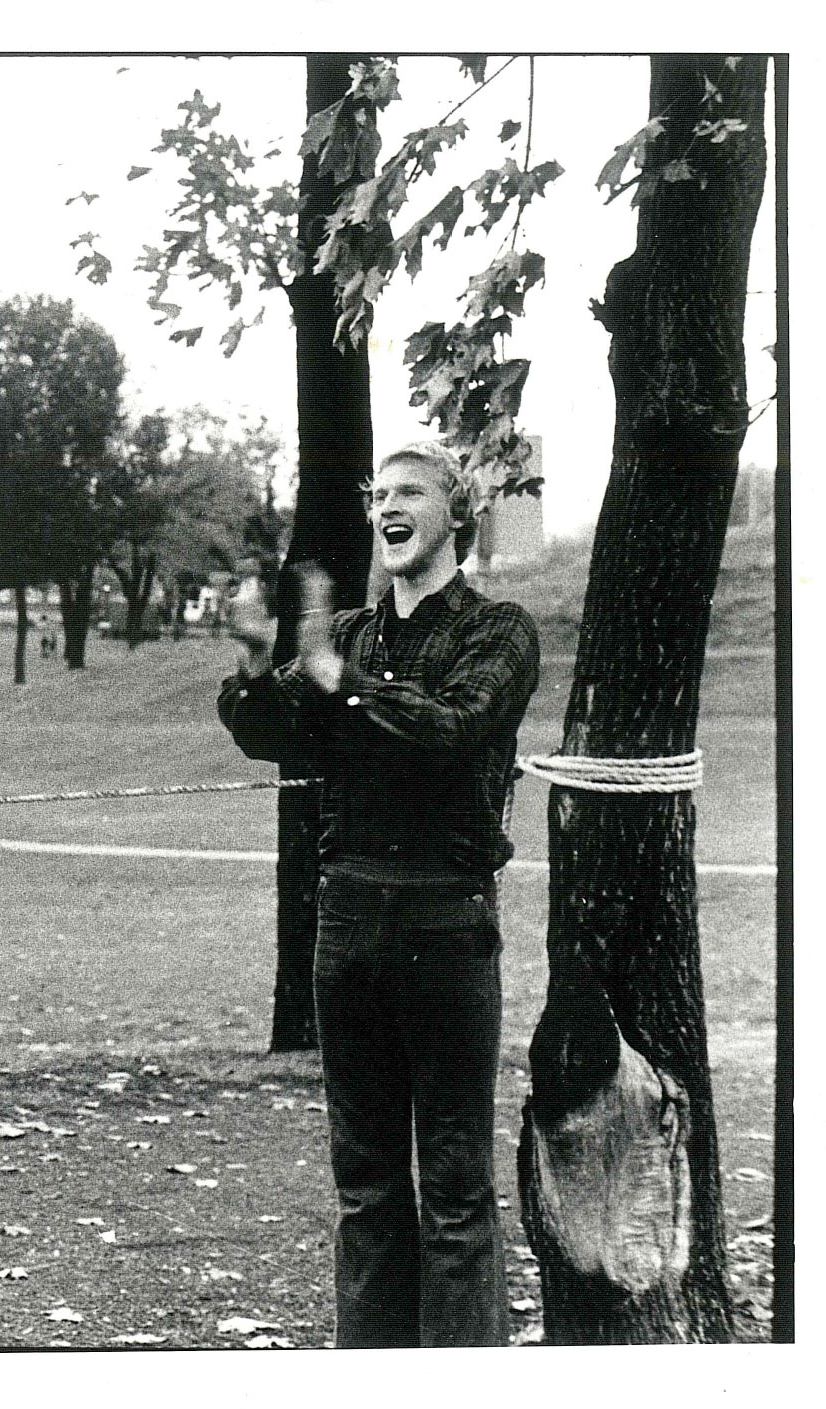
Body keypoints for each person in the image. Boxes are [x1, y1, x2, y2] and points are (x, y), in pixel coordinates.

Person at [218, 440, 540, 1348]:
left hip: (445, 923)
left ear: (456, 515)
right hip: (347, 923)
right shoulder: (349, 634)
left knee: (454, 1190)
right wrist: (256, 664)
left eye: (409, 493)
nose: (386, 509)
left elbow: (452, 728)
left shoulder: (499, 630)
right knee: (365, 1188)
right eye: (378, 496)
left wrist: (336, 683)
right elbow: (265, 731)